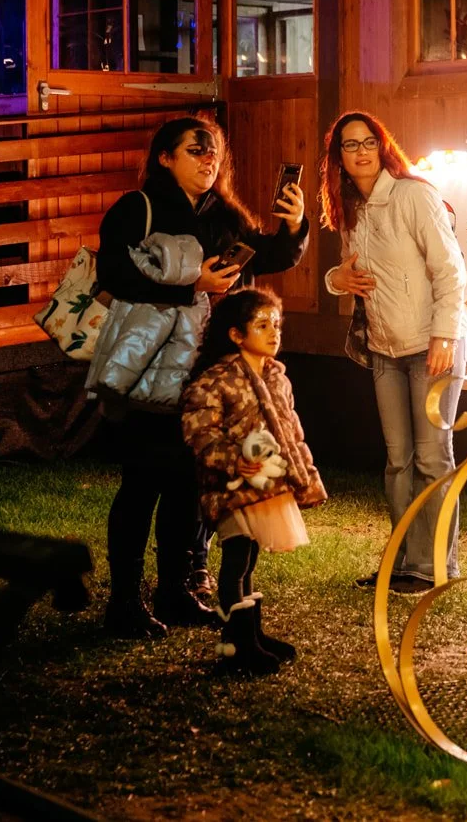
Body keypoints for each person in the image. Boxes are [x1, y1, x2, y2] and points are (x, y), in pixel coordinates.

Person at [96, 115, 309, 638]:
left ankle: (173, 591)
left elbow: (273, 255)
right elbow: (114, 274)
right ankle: (123, 602)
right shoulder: (137, 209)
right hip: (148, 372)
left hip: (201, 378)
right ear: (165, 158)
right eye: (196, 151)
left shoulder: (223, 214)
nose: (208, 160)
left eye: (213, 152)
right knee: (141, 485)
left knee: (186, 488)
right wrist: (193, 282)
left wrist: (295, 224)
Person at [318, 111, 467, 594]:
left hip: (431, 346)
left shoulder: (413, 194)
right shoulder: (351, 209)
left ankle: (433, 568)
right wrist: (333, 280)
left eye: (368, 142)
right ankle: (403, 562)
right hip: (384, 349)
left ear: (382, 147)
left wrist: (444, 335)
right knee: (398, 460)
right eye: (349, 144)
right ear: (337, 157)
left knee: (431, 457)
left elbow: (450, 271)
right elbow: (347, 274)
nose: (360, 151)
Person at [181, 288, 327, 675]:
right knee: (235, 558)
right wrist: (233, 460)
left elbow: (291, 432)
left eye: (276, 325)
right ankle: (234, 645)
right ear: (235, 334)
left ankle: (250, 635)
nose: (273, 332)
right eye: (261, 325)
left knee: (250, 559)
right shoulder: (217, 381)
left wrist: (303, 475)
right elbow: (200, 432)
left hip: (267, 487)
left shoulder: (277, 377)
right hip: (231, 487)